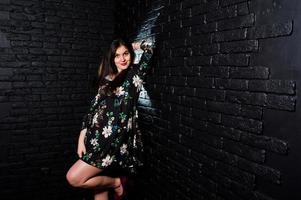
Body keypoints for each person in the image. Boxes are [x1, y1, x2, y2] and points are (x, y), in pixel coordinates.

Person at [66, 38, 153, 200]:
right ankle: (112, 183)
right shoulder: (106, 79)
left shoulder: (135, 74)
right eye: (117, 55)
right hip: (95, 139)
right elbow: (92, 110)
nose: (123, 59)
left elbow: (150, 47)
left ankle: (116, 183)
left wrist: (132, 45)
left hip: (113, 142)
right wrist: (81, 138)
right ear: (111, 59)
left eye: (125, 53)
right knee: (99, 192)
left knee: (74, 178)